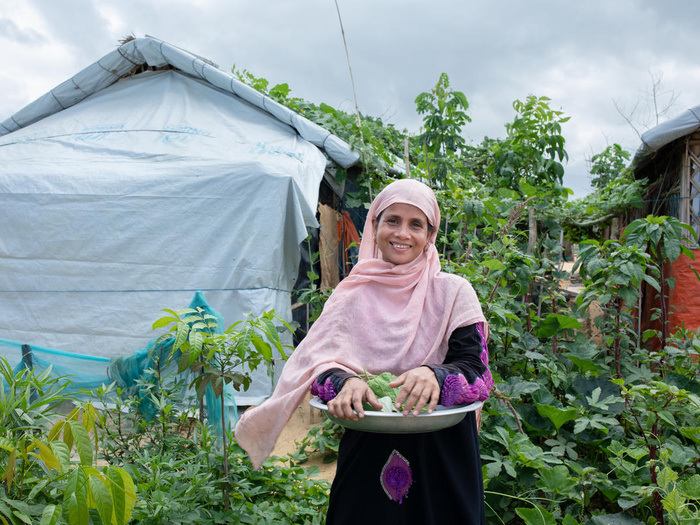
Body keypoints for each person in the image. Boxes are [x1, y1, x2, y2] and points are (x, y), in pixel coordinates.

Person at [235, 179, 492, 524]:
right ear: (374, 225)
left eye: (416, 224)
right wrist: (345, 383)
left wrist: (436, 374)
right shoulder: (351, 294)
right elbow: (319, 366)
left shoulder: (453, 293)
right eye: (392, 220)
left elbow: (477, 371)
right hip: (369, 446)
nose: (402, 233)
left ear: (431, 234)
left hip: (443, 454)